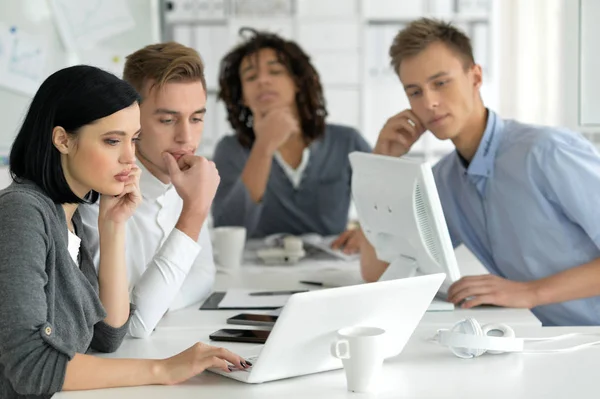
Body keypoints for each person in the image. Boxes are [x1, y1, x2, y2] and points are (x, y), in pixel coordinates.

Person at [0, 65, 248, 398]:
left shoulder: (68, 218)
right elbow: (33, 367)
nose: (130, 158)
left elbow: (108, 334)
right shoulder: (23, 212)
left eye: (133, 140)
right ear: (62, 140)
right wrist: (163, 369)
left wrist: (113, 226)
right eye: (112, 141)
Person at [361, 18, 600, 326]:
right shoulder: (443, 182)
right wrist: (382, 163)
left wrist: (530, 292)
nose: (430, 102)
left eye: (441, 83)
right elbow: (379, 273)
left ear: (475, 77)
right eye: (415, 92)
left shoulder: (546, 152)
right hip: (550, 341)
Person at [80, 43, 220, 338]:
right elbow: (130, 324)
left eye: (196, 118)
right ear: (132, 118)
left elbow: (205, 276)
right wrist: (193, 213)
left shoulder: (191, 178)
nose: (186, 137)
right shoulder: (97, 199)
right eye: (167, 120)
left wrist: (161, 300)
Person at [212, 28, 372, 253]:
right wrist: (264, 146)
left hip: (333, 270)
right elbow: (228, 229)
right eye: (250, 77)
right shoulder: (230, 150)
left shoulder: (346, 141)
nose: (263, 81)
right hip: (255, 274)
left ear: (297, 82)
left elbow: (390, 210)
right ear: (243, 97)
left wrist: (368, 232)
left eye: (275, 72)